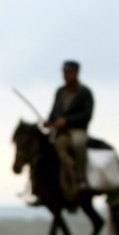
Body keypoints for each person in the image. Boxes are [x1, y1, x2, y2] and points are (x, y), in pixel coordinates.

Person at [46, 60, 94, 191]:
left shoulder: (85, 92)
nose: (65, 75)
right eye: (64, 72)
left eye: (68, 72)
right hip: (61, 132)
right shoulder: (60, 91)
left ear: (76, 72)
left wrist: (67, 121)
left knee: (78, 145)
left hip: (77, 130)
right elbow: (54, 110)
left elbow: (86, 115)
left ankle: (81, 177)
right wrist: (49, 121)